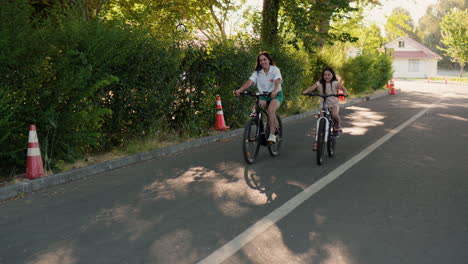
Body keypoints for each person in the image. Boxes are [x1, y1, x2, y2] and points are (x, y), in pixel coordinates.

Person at [234, 51, 283, 143]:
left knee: (271, 111)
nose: (262, 62)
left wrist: (275, 91)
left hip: (275, 95)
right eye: (260, 60)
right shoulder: (257, 72)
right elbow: (250, 81)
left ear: (269, 60)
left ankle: (272, 134)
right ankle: (258, 125)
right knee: (257, 108)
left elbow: (277, 81)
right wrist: (240, 90)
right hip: (263, 96)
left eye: (264, 59)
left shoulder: (275, 69)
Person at [302, 67, 348, 149]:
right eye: (325, 75)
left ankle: (338, 127)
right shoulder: (319, 83)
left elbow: (343, 89)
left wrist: (344, 93)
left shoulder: (335, 83)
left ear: (332, 75)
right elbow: (312, 88)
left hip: (334, 104)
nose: (326, 76)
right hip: (323, 104)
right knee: (320, 119)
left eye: (329, 75)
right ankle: (317, 141)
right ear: (322, 76)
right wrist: (305, 92)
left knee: (334, 115)